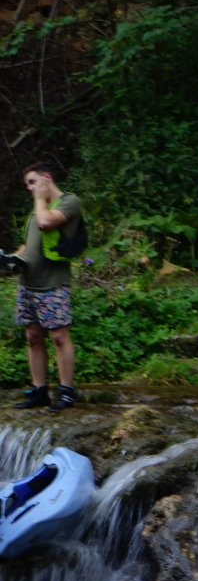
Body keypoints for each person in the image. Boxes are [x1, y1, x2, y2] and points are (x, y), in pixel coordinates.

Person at [10, 163, 84, 411]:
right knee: (32, 337)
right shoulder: (36, 209)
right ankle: (40, 390)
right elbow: (28, 246)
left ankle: (66, 391)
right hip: (28, 283)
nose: (30, 189)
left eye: (32, 182)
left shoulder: (68, 202)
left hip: (53, 284)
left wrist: (40, 199)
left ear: (46, 177)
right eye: (27, 185)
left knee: (59, 337)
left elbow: (46, 223)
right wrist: (11, 260)